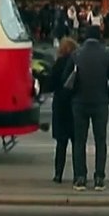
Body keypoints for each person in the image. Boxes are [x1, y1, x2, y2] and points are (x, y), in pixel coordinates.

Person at [70, 25, 109, 191]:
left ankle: (80, 177)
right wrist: (106, 98)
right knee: (100, 141)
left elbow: (67, 81)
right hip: (100, 103)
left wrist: (74, 98)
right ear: (99, 37)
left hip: (80, 103)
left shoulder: (76, 54)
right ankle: (99, 177)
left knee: (79, 141)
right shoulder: (105, 55)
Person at [46, 37, 78, 183]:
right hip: (75, 105)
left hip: (60, 105)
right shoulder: (78, 64)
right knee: (77, 142)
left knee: (61, 143)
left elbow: (50, 84)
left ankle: (58, 174)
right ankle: (78, 174)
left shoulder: (58, 64)